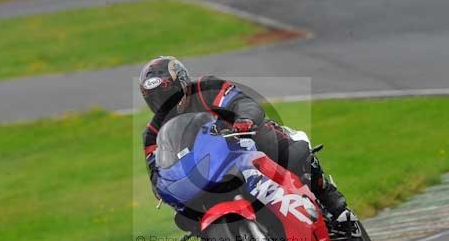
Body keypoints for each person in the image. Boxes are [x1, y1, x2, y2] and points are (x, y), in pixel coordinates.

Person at [140, 56, 346, 228]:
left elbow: (242, 102)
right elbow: (156, 170)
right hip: (207, 169)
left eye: (167, 94)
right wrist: (162, 186)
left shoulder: (206, 89)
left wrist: (244, 120)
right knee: (185, 214)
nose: (163, 102)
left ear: (183, 84)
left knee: (287, 149)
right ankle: (229, 240)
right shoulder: (152, 133)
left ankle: (329, 198)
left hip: (243, 142)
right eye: (154, 99)